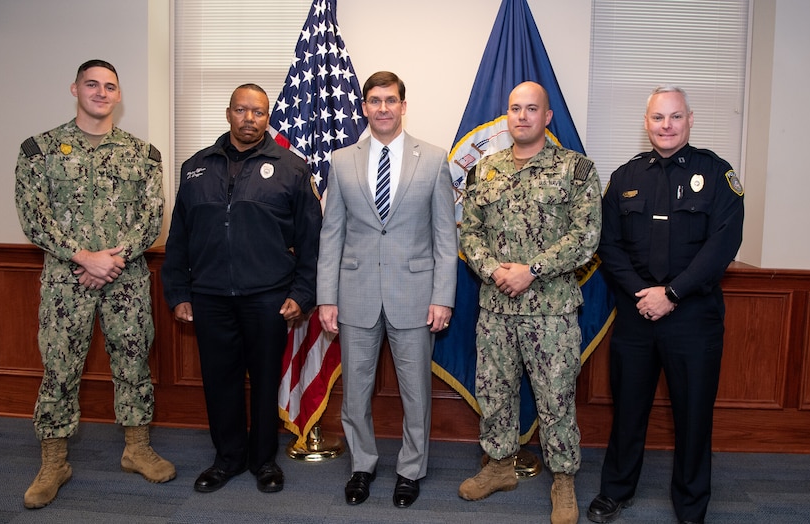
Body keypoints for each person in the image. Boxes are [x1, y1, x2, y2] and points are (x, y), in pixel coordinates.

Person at [14, 59, 175, 509]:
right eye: (92, 85)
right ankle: (54, 461)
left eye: (109, 86)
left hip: (126, 279)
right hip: (66, 280)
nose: (101, 93)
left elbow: (151, 218)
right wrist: (84, 258)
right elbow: (34, 217)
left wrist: (111, 261)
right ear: (75, 88)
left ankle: (136, 449)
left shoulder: (142, 155)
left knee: (133, 361)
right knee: (60, 367)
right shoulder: (39, 150)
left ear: (118, 96)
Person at [587, 85, 744, 524]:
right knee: (629, 409)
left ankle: (691, 505)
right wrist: (644, 293)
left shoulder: (717, 175)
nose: (666, 125)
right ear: (646, 123)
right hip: (638, 315)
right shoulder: (625, 177)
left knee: (694, 415)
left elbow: (723, 245)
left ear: (690, 120)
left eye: (675, 117)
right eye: (658, 118)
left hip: (693, 317)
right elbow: (609, 245)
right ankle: (615, 491)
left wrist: (672, 294)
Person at [161, 84, 321, 494]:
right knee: (220, 381)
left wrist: (303, 294)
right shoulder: (195, 167)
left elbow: (311, 240)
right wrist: (178, 292)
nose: (250, 119)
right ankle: (227, 458)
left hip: (268, 296)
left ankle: (264, 461)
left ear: (268, 118)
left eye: (259, 112)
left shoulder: (291, 168)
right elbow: (180, 235)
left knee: (266, 380)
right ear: (228, 113)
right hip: (210, 297)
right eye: (241, 110)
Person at [457, 81, 601, 524]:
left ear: (547, 116)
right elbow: (470, 231)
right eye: (515, 108)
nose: (522, 116)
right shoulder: (484, 171)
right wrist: (495, 270)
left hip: (551, 309)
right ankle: (499, 466)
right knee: (495, 392)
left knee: (556, 397)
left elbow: (587, 236)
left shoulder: (575, 169)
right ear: (507, 115)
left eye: (531, 108)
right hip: (497, 307)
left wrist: (531, 270)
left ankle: (563, 480)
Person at [317, 71, 457, 509]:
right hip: (355, 293)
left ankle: (410, 469)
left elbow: (444, 237)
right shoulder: (341, 161)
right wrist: (326, 296)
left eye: (391, 100)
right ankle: (362, 465)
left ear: (403, 105)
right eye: (374, 100)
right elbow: (332, 233)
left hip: (415, 296)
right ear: (364, 106)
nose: (383, 108)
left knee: (416, 392)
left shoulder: (433, 159)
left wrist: (442, 296)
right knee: (355, 390)